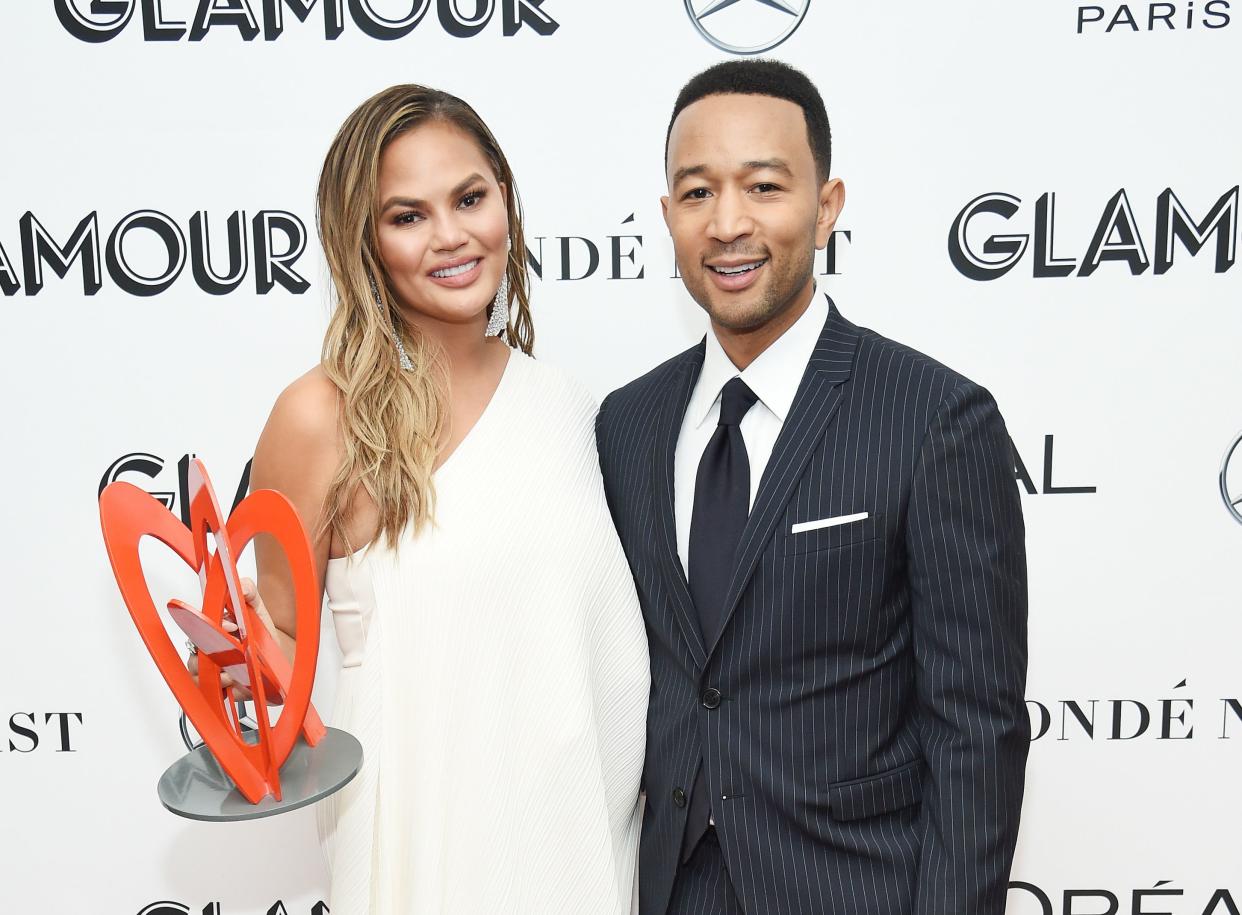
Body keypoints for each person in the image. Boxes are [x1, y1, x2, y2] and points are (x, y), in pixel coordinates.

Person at [595, 60, 1029, 915]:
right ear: (666, 216)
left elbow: (976, 733)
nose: (728, 223)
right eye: (696, 193)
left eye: (763, 186)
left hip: (853, 887)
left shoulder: (934, 418)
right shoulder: (628, 423)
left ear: (825, 207)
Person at [225, 85, 649, 914]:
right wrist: (244, 668)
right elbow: (278, 634)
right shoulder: (323, 415)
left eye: (469, 198)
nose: (451, 236)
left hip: (572, 845)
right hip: (414, 850)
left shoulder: (564, 404)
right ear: (364, 241)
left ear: (505, 202)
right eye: (407, 215)